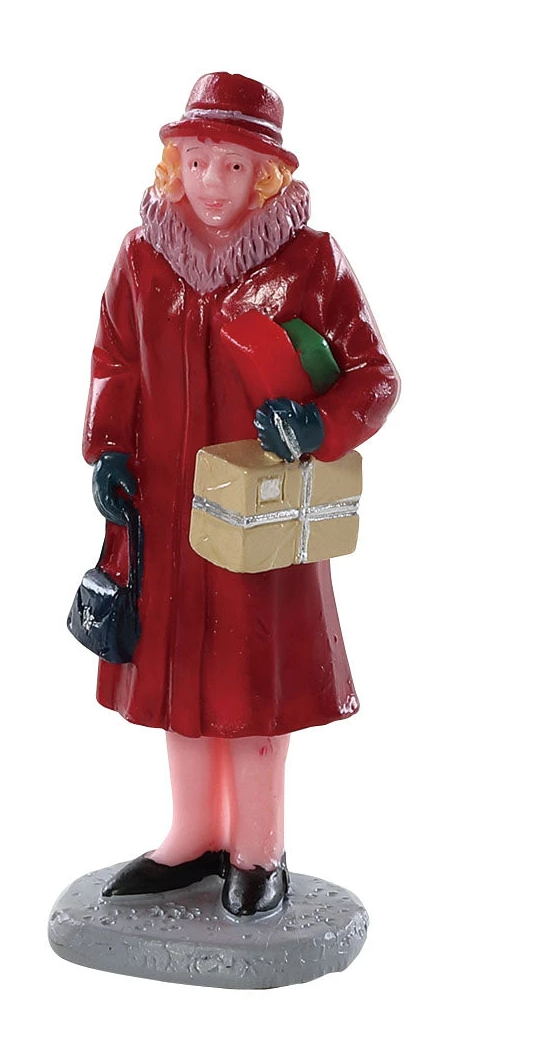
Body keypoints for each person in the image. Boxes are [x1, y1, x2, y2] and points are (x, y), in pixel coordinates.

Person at [83, 72, 398, 917]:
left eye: (231, 164)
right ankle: (194, 835)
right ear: (173, 165)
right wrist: (107, 450)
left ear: (264, 174)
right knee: (178, 682)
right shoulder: (142, 257)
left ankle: (259, 849)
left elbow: (375, 375)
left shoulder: (311, 262)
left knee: (253, 684)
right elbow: (114, 360)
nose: (210, 181)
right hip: (163, 510)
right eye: (196, 160)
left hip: (260, 515)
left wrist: (319, 425)